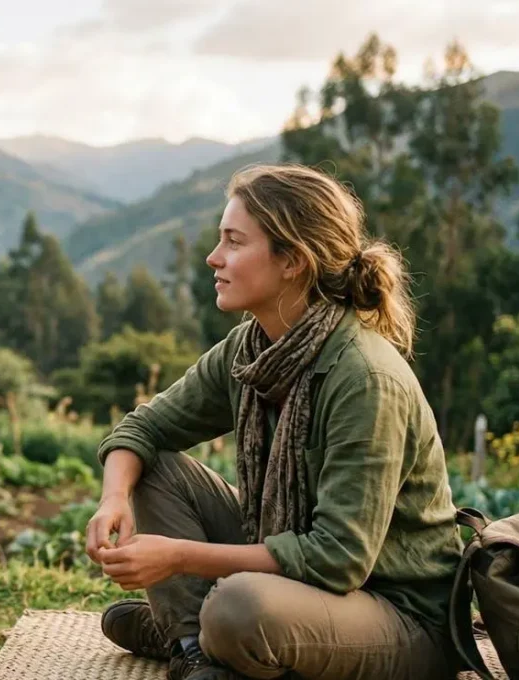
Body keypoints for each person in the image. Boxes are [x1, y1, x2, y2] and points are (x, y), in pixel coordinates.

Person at [85, 164, 464, 680]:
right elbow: (143, 430)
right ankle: (197, 647)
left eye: (234, 242)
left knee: (241, 607)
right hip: (308, 587)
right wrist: (113, 499)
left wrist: (178, 558)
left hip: (399, 617)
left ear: (292, 262)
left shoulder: (365, 378)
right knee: (153, 469)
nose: (213, 258)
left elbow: (338, 559)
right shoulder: (252, 349)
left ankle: (201, 629)